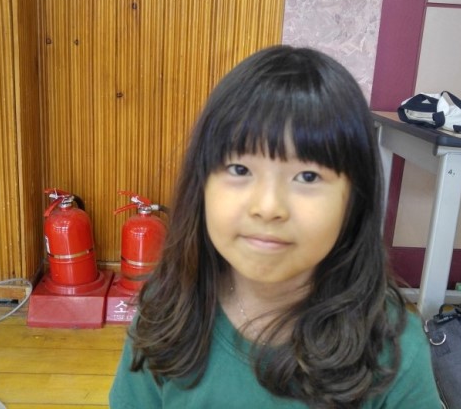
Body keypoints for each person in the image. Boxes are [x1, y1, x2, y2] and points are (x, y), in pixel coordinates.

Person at [109, 45, 442, 408]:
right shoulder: (165, 316)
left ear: (354, 200)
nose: (268, 208)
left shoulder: (395, 352)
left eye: (308, 176)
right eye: (240, 169)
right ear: (201, 185)